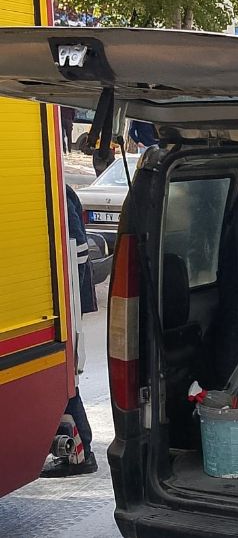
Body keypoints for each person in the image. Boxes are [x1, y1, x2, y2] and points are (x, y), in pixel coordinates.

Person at [40, 186, 99, 478]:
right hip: (64, 303)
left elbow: (75, 249)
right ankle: (78, 450)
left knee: (64, 377)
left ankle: (80, 452)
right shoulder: (58, 189)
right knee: (64, 377)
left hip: (63, 304)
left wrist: (68, 308)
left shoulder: (55, 191)